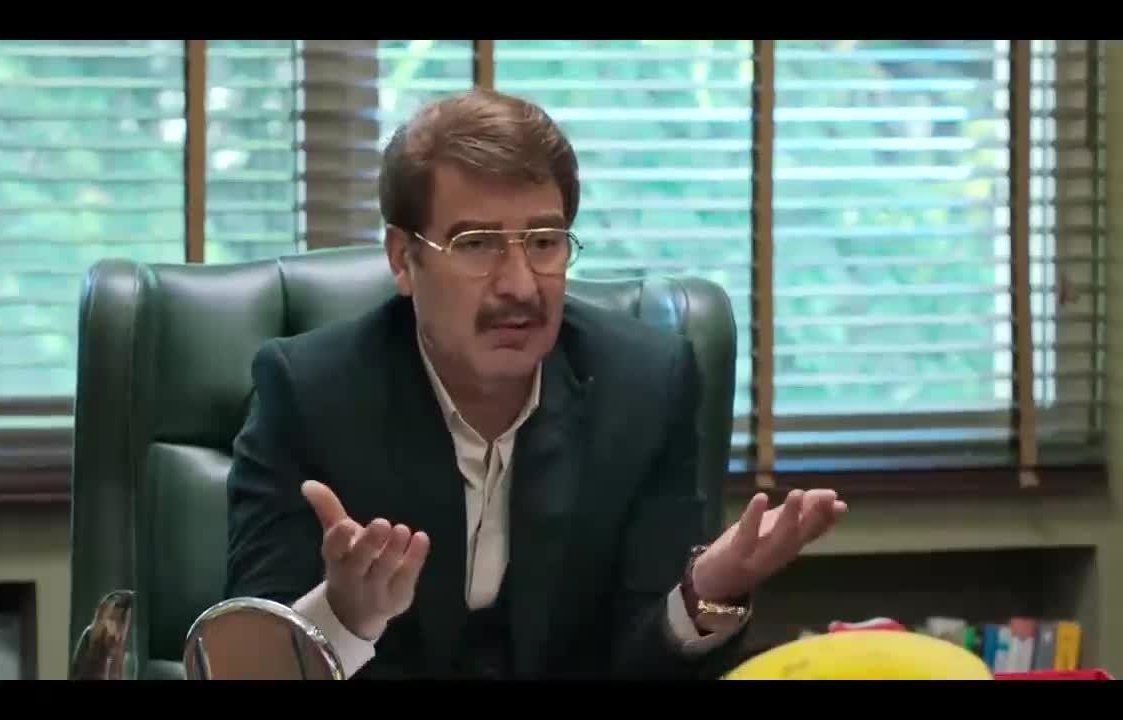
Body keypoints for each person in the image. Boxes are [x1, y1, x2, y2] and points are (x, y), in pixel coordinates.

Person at [224, 88, 847, 679]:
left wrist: (705, 591)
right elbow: (246, 660)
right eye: (477, 245)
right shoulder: (311, 394)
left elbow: (637, 659)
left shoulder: (646, 388)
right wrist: (343, 618)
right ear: (401, 258)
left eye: (544, 242)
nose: (521, 286)